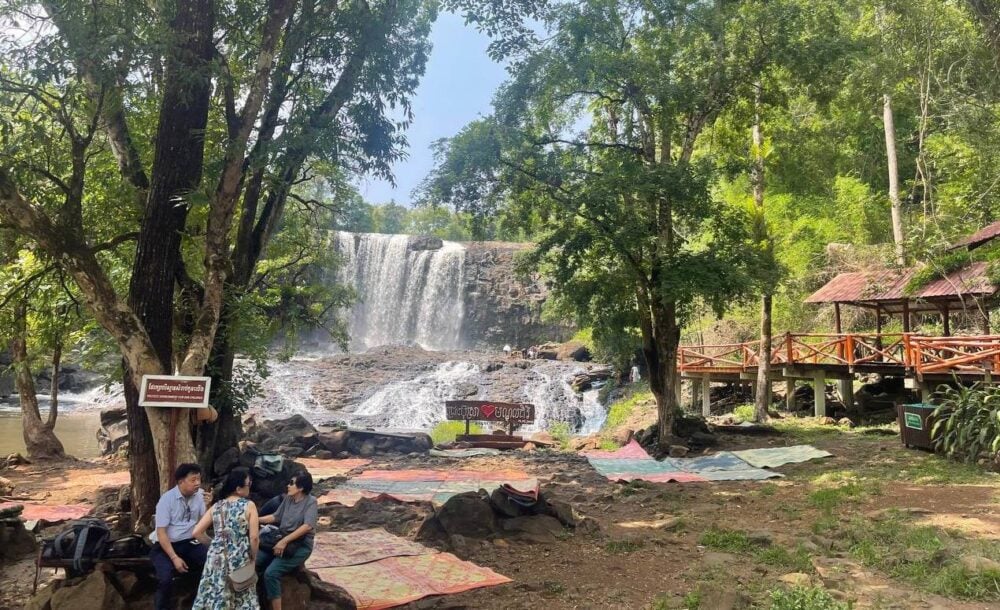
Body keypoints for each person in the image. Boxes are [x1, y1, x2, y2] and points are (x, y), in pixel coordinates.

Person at [191, 468, 260, 610]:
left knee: (216, 596)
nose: (250, 486)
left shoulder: (217, 506)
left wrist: (215, 545)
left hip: (216, 559)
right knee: (242, 597)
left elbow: (197, 532)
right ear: (238, 488)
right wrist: (253, 557)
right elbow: (254, 538)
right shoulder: (249, 505)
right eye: (248, 484)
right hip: (239, 558)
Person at [150, 463, 212, 610]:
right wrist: (174, 558)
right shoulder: (167, 500)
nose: (197, 483)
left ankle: (199, 603)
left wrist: (209, 506)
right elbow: (161, 533)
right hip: (165, 545)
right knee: (165, 579)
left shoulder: (200, 496)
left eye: (199, 480)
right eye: (193, 480)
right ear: (180, 482)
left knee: (212, 565)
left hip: (190, 542)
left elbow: (205, 524)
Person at [256, 472, 318, 610]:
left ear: (301, 487)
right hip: (281, 538)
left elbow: (307, 526)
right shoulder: (288, 499)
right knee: (255, 561)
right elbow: (275, 517)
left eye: (291, 483)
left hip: (300, 544)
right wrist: (254, 518)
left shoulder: (311, 502)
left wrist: (284, 541)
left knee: (271, 573)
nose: (288, 486)